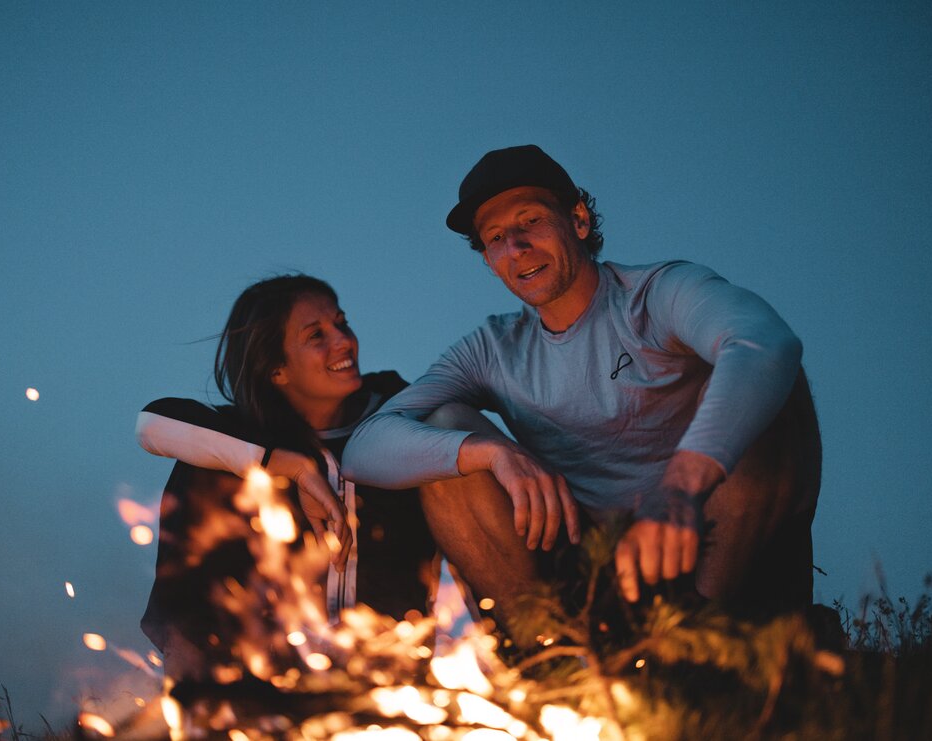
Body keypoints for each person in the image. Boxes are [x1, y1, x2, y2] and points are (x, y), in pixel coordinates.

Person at [342, 145, 821, 638]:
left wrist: (681, 486)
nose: (517, 247)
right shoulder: (492, 349)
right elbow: (363, 448)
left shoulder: (656, 295)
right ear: (489, 260)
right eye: (497, 238)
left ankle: (701, 641)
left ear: (577, 219)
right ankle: (544, 654)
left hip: (713, 543)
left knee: (777, 389)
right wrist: (490, 452)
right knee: (445, 431)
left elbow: (765, 343)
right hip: (594, 566)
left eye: (530, 221)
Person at [138, 274, 437, 680]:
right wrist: (292, 467)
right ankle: (200, 691)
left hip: (385, 670)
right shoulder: (243, 431)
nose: (344, 340)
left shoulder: (396, 411)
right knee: (209, 457)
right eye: (316, 335)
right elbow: (152, 424)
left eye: (341, 323)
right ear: (277, 369)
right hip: (263, 670)